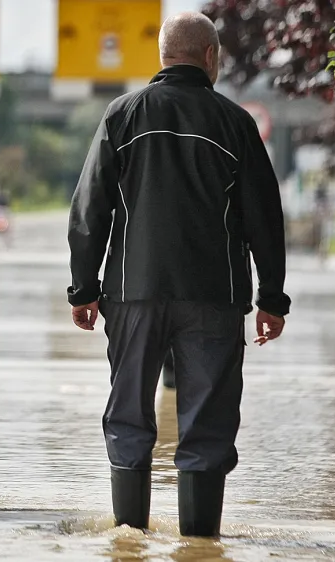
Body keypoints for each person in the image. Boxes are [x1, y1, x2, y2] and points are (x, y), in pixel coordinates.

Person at [67, 12, 290, 537]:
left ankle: (128, 540)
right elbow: (265, 218)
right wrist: (272, 299)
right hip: (215, 296)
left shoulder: (122, 115)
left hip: (131, 293)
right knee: (207, 422)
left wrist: (85, 288)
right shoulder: (236, 123)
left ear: (163, 57)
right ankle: (200, 542)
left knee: (128, 416)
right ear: (211, 57)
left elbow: (89, 209)